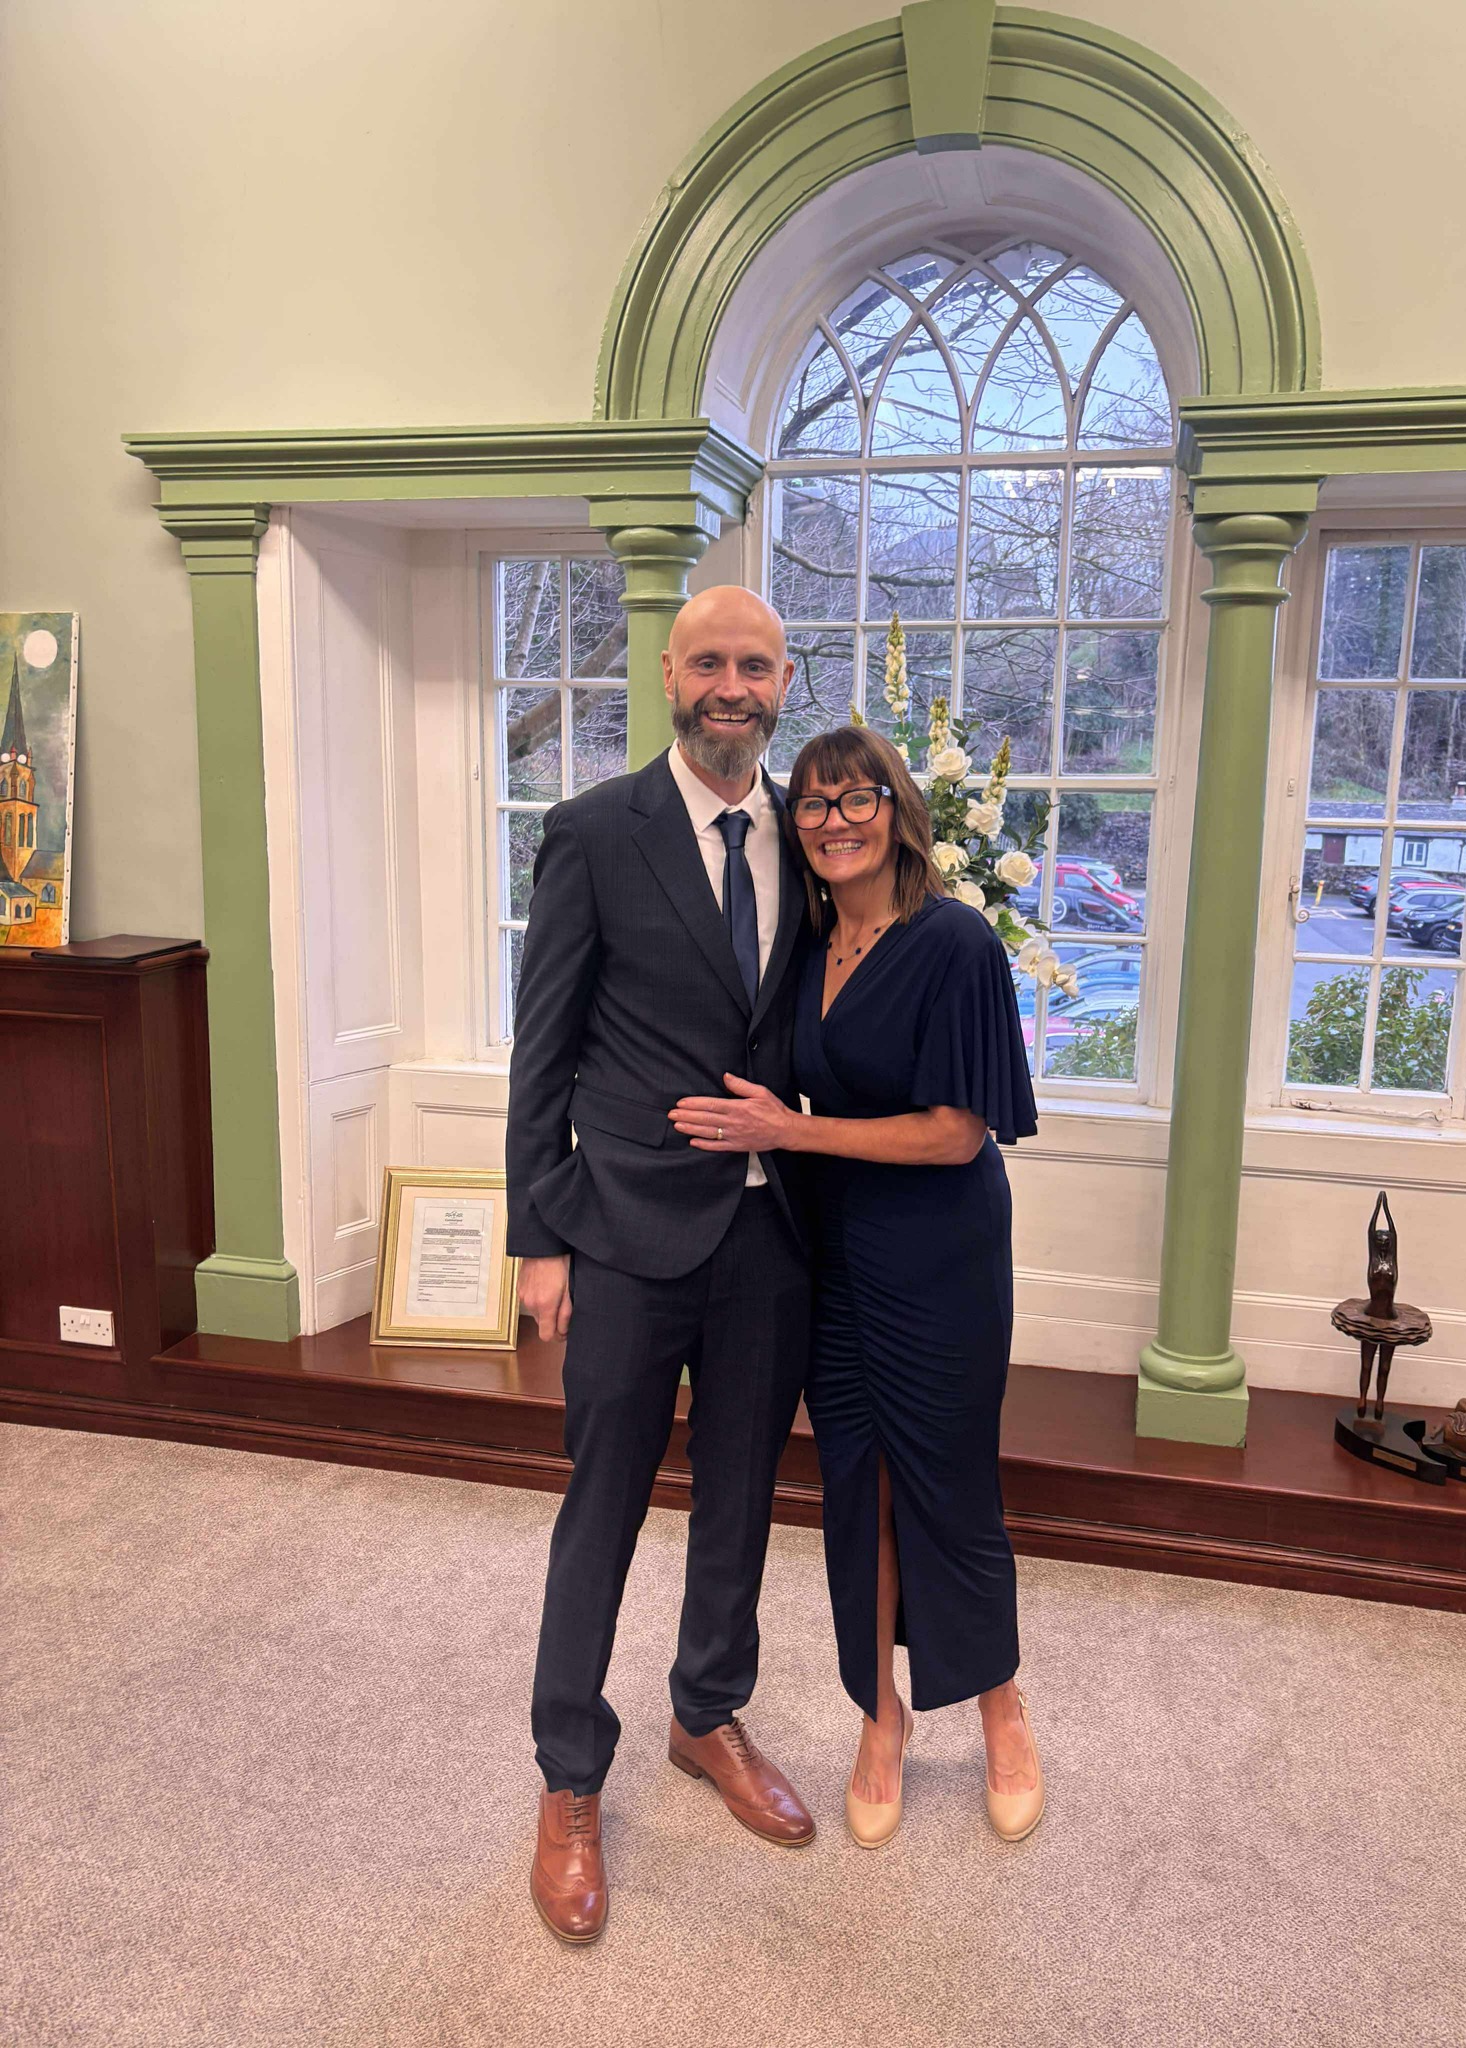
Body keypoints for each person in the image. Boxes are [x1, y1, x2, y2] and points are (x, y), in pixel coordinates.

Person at [670, 724, 1045, 1848]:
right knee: (856, 1495)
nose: (835, 821)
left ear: (897, 809)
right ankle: (880, 1717)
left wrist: (796, 1127)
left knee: (949, 1483)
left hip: (939, 1258)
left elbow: (955, 1133)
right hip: (829, 1261)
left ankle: (1000, 1706)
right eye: (817, 805)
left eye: (857, 798)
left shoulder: (956, 942)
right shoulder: (807, 945)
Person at [506, 586, 815, 1945]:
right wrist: (538, 1235)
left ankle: (708, 1713)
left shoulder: (822, 832)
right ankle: (570, 1775)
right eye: (709, 662)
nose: (730, 684)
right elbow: (545, 1051)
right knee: (605, 1507)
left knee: (743, 1492)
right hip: (628, 1230)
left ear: (784, 678)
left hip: (775, 1236)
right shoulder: (591, 833)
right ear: (670, 675)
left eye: (754, 663)